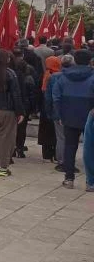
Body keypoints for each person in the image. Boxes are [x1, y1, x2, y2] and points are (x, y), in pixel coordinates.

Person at [52, 49, 94, 189]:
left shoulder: (62, 77)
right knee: (90, 149)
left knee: (69, 147)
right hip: (90, 116)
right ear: (90, 61)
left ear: (75, 60)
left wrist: (59, 115)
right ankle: (90, 182)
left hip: (68, 116)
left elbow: (56, 97)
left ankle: (69, 178)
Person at [38, 56, 61, 163]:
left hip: (45, 108)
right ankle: (56, 154)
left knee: (46, 132)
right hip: (53, 107)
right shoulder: (58, 76)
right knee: (55, 134)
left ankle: (47, 155)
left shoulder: (45, 75)